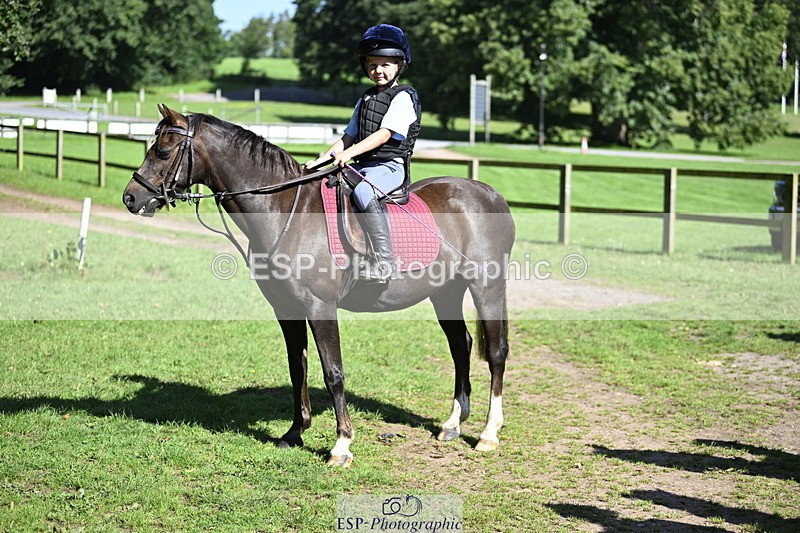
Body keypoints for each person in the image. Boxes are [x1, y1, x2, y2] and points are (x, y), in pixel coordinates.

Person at [306, 24, 421, 282]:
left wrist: (350, 154)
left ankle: (384, 262)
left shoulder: (404, 97)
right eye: (372, 65)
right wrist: (321, 161)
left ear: (399, 64)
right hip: (363, 167)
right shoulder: (366, 99)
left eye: (385, 64)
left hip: (390, 167)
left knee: (364, 191)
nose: (378, 70)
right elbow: (347, 137)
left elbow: (384, 134)